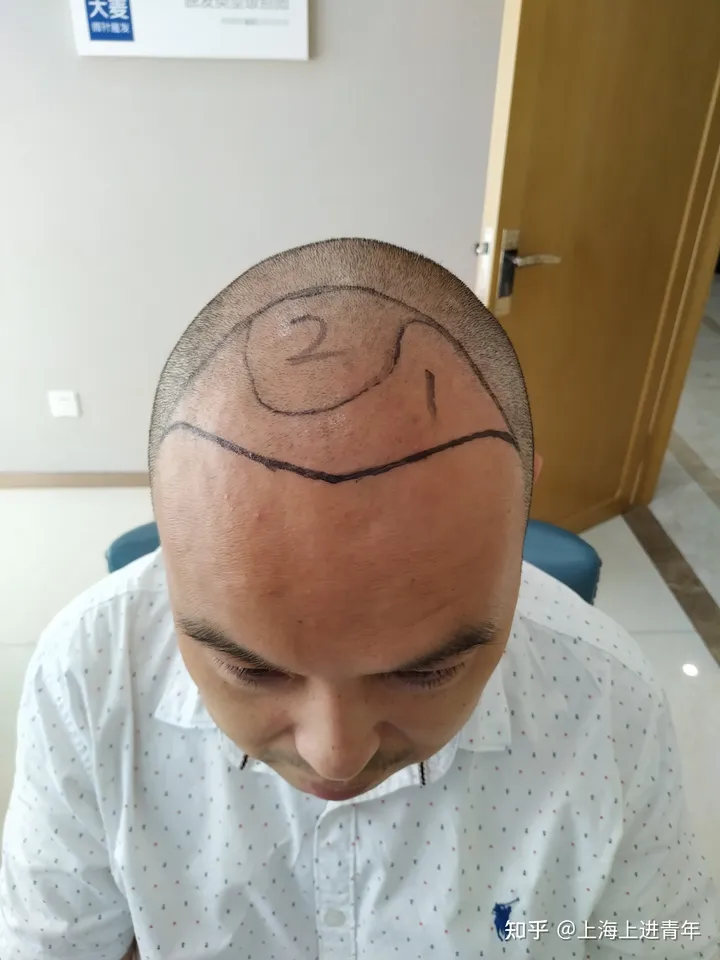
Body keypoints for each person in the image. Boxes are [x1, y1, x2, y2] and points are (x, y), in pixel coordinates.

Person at [0, 238, 716, 959]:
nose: (335, 757)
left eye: (428, 672)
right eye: (251, 670)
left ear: (521, 509)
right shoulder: (90, 674)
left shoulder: (606, 702)